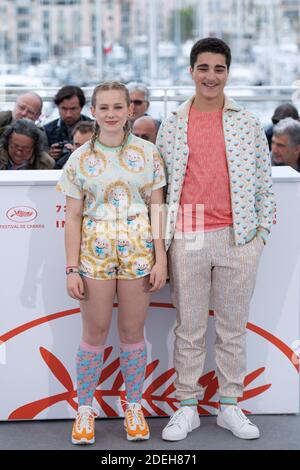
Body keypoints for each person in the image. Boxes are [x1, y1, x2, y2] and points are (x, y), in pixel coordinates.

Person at [157, 37, 275, 441]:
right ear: (191, 71)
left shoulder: (246, 122)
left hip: (238, 234)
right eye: (203, 68)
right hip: (187, 230)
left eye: (218, 68)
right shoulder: (172, 123)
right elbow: (161, 186)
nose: (211, 76)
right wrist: (163, 240)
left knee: (232, 327)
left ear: (228, 73)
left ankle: (230, 405)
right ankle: (186, 407)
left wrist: (260, 233)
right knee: (188, 327)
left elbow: (264, 182)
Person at [56, 81, 167, 445]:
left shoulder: (149, 154)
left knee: (133, 334)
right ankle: (84, 409)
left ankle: (133, 406)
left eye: (118, 107)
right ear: (94, 110)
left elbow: (157, 208)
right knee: (94, 334)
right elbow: (72, 217)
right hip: (94, 259)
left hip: (139, 257)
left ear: (129, 110)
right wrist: (72, 268)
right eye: (103, 108)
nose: (111, 114)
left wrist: (161, 258)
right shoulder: (79, 160)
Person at [45, 85, 92, 164]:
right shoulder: (47, 131)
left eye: (73, 109)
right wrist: (48, 155)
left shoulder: (95, 128)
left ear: (81, 107)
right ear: (58, 107)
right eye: (64, 108)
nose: (68, 114)